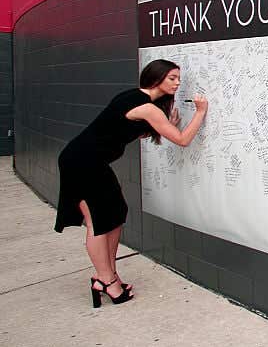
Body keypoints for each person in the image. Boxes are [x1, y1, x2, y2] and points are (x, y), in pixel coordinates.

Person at [55, 59, 209, 306]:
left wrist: (167, 124)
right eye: (172, 78)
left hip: (92, 161)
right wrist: (200, 112)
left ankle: (109, 275)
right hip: (82, 162)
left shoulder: (139, 101)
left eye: (178, 78)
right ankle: (105, 281)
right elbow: (181, 140)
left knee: (115, 214)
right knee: (98, 222)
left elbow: (130, 131)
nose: (178, 83)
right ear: (155, 77)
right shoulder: (147, 108)